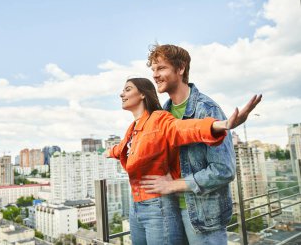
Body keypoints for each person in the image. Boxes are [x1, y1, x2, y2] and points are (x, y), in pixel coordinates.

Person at [107, 77, 261, 245]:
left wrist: (220, 125)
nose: (121, 94)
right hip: (135, 206)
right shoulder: (133, 128)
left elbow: (185, 128)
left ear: (143, 94)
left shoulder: (158, 118)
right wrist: (109, 152)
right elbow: (123, 148)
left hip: (157, 206)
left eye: (127, 89)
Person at [140, 44, 247, 245]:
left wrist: (173, 185)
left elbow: (224, 170)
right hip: (170, 213)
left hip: (203, 217)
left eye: (161, 68)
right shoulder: (163, 114)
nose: (155, 75)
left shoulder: (206, 109)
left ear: (180, 69)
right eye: (153, 70)